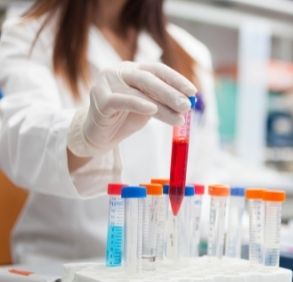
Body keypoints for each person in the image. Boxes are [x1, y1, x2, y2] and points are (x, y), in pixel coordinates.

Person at [0, 0, 219, 263]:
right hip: (63, 264)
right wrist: (82, 135)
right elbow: (19, 141)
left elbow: (202, 173)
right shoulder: (30, 34)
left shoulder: (190, 54)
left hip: (160, 266)